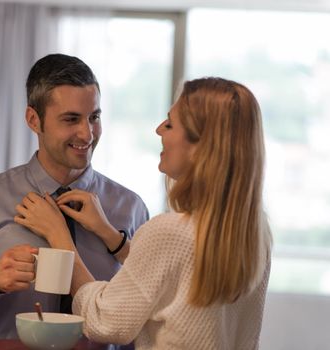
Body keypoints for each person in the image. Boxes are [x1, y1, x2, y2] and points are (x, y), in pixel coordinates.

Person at [15, 77, 272, 349]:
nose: (159, 129)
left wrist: (61, 239)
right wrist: (112, 237)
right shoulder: (254, 234)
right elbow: (177, 274)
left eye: (171, 124)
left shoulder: (168, 231)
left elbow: (105, 322)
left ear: (201, 149)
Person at [0, 53, 149, 339]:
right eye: (71, 119)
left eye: (94, 117)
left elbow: (149, 310)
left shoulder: (130, 208)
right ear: (33, 119)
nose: (87, 134)